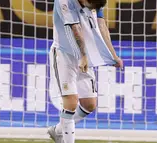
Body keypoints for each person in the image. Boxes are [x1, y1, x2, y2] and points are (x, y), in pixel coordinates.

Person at [48, 0, 123, 142]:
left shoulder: (94, 2)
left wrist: (114, 55)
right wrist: (82, 56)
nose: (92, 10)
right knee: (70, 103)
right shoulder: (64, 2)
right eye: (91, 7)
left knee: (89, 104)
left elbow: (101, 25)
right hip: (64, 55)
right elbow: (76, 29)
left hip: (85, 56)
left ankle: (58, 130)